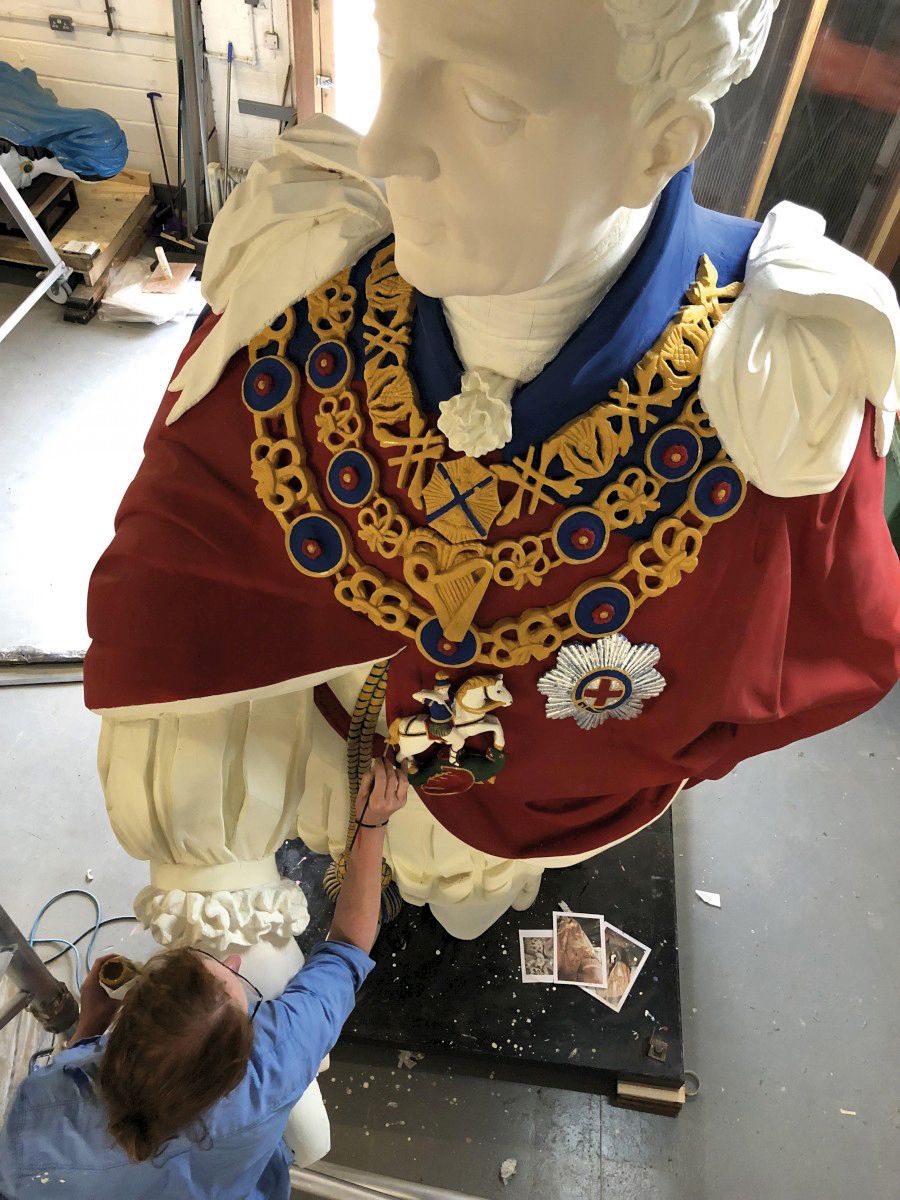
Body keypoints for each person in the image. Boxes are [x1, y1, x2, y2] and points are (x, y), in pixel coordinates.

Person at [0, 756, 408, 1200]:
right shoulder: (272, 1066)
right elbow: (348, 948)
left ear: (122, 1032)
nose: (233, 961)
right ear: (240, 1062)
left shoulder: (36, 1115)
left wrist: (87, 1029)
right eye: (235, 979)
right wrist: (372, 824)